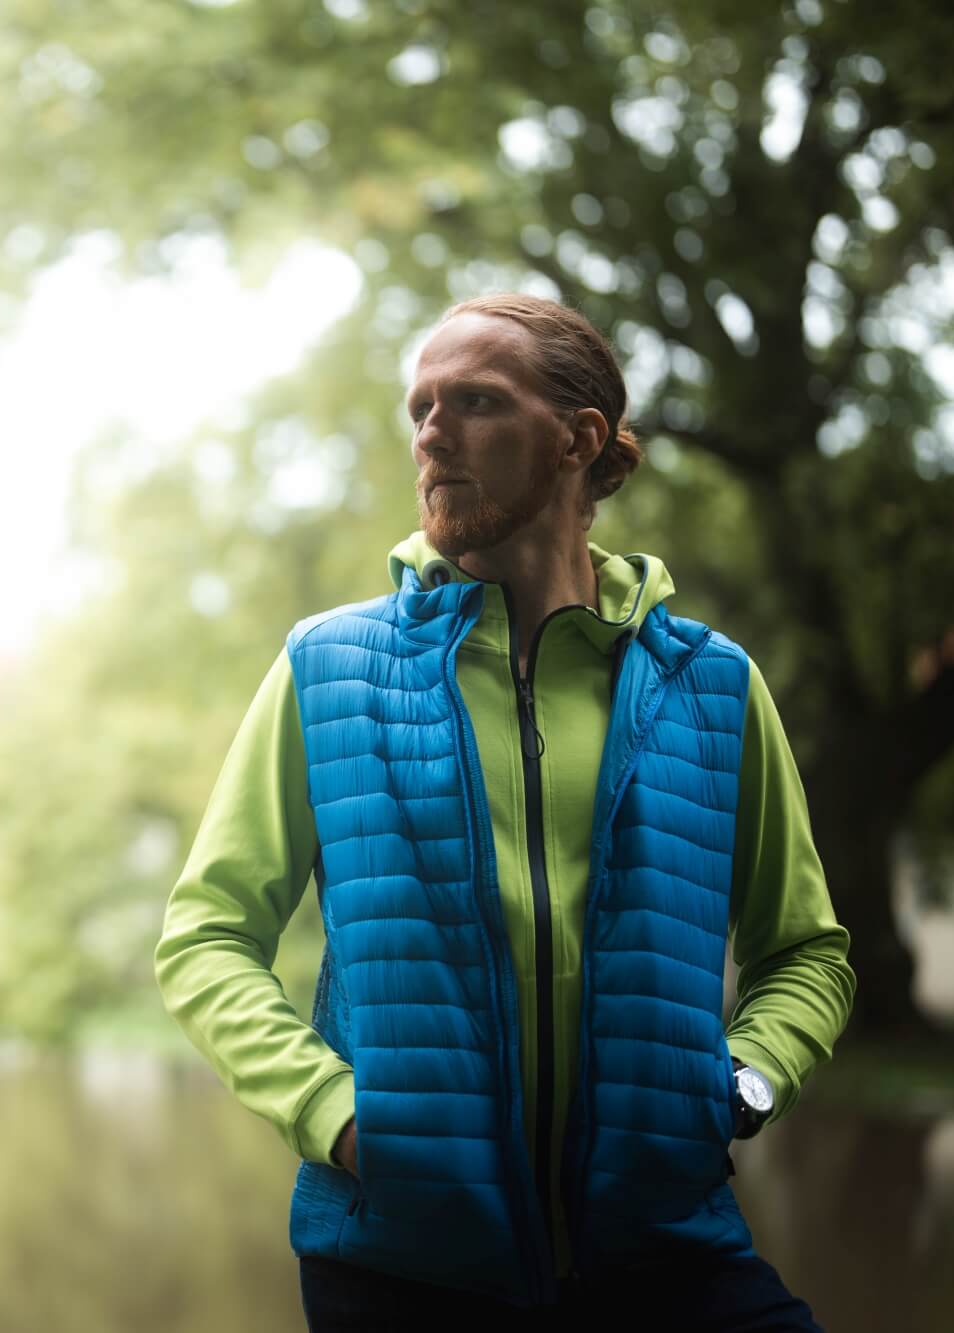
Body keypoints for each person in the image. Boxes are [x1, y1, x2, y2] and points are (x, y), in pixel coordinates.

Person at [153, 293, 855, 1330]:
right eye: (419, 407)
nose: (431, 432)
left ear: (575, 440)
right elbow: (204, 936)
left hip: (665, 1254)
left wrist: (740, 1087)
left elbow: (805, 951)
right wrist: (334, 1117)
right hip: (401, 1266)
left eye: (474, 401)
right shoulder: (327, 669)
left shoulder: (709, 685)